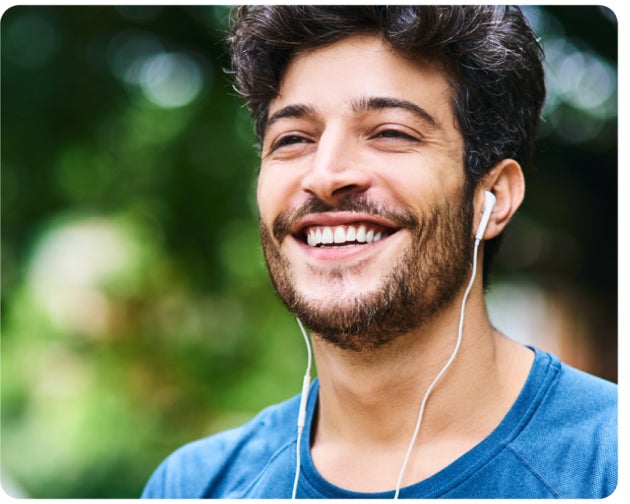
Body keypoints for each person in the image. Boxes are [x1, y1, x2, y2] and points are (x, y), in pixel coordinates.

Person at [141, 5, 617, 499]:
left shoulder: (607, 461)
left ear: (493, 198)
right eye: (293, 139)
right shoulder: (194, 486)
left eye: (390, 132)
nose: (324, 175)